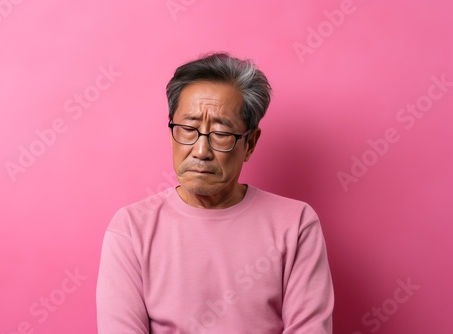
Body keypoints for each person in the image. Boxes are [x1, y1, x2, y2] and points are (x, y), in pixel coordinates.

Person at [96, 52, 334, 333]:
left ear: (250, 144)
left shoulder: (296, 223)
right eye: (187, 129)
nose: (200, 151)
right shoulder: (131, 228)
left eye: (221, 133)